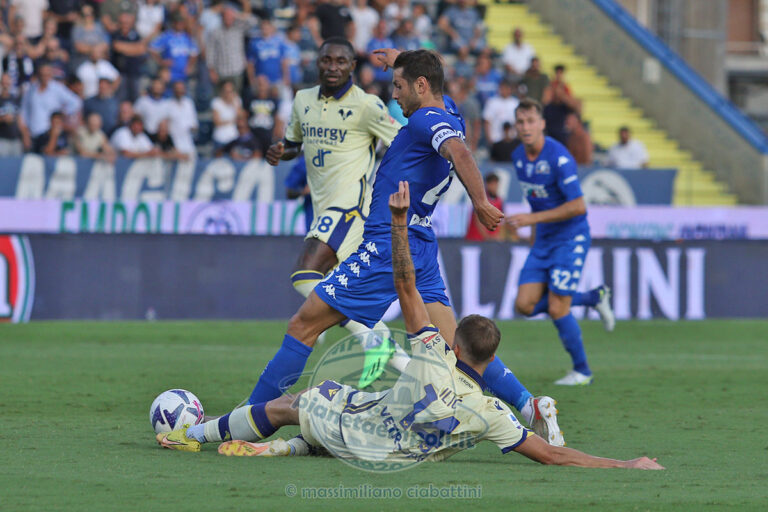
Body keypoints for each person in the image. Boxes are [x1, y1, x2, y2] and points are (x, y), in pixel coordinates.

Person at [157, 182, 664, 473]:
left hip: (360, 435)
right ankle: (285, 448)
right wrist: (626, 466)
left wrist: (399, 223)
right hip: (396, 456)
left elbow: (405, 286)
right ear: (487, 363)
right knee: (346, 393)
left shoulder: (430, 353)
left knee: (294, 403)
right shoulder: (492, 413)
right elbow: (552, 454)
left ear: (455, 344)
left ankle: (192, 433)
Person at [249, 48, 550, 438]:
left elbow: (458, 152)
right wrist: (399, 59)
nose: (395, 95)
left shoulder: (425, 117)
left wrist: (480, 202)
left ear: (421, 86)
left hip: (389, 244)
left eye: (400, 86)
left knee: (304, 323)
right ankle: (530, 405)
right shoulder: (449, 110)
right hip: (420, 240)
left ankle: (249, 416)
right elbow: (440, 96)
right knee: (452, 343)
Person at [264, 38, 402, 388]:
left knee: (304, 273)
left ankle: (374, 339)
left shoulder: (368, 106)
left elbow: (403, 140)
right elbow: (296, 143)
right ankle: (393, 352)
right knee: (336, 289)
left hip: (352, 207)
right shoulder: (302, 100)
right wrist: (283, 151)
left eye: (341, 61)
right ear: (318, 63)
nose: (333, 66)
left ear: (353, 65)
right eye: (327, 60)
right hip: (323, 208)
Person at [508, 99, 615, 386]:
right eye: (521, 122)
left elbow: (579, 206)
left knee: (557, 308)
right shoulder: (519, 157)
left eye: (531, 121)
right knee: (524, 305)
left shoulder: (559, 157)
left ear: (542, 124)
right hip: (543, 239)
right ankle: (593, 297)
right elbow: (536, 203)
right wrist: (535, 232)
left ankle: (583, 371)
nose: (526, 127)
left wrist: (533, 220)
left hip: (570, 237)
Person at [466, 173, 506, 242]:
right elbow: (478, 221)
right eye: (492, 184)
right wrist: (488, 238)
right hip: (476, 239)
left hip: (491, 241)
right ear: (487, 184)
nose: (495, 187)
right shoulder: (480, 200)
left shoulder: (500, 201)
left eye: (496, 184)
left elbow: (502, 221)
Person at [482, 79, 519, 144]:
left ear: (510, 89)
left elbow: (518, 122)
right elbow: (487, 121)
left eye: (506, 88)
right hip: (496, 139)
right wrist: (489, 139)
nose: (503, 90)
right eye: (502, 88)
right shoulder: (492, 102)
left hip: (512, 139)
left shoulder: (515, 103)